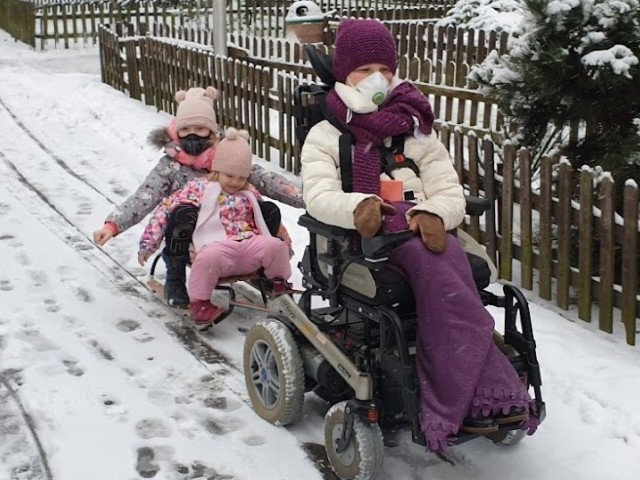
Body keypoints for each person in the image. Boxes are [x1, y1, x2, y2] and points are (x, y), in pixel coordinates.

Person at [300, 18, 537, 452]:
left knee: (452, 266)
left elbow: (450, 191)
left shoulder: (417, 129)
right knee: (443, 272)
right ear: (342, 74)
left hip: (427, 233)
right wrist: (360, 207)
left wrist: (433, 212)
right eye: (364, 70)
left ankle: (472, 382)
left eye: (385, 71)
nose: (377, 79)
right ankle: (479, 393)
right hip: (365, 244)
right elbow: (317, 195)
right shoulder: (326, 134)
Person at [93, 86, 302, 309]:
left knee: (268, 209)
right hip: (188, 233)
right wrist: (113, 225)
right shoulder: (170, 166)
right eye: (186, 129)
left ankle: (265, 271)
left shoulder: (226, 156)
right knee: (183, 213)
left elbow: (264, 178)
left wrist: (311, 199)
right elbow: (145, 196)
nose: (193, 134)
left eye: (200, 128)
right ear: (177, 131)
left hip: (234, 225)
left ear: (212, 132)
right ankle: (175, 277)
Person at [138, 128, 293, 330]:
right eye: (229, 175)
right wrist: (147, 244)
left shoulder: (248, 192)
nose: (236, 182)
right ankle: (200, 303)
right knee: (207, 255)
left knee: (274, 245)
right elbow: (165, 211)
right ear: (216, 169)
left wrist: (285, 246)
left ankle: (277, 282)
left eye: (241, 177)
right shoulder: (198, 187)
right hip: (216, 247)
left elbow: (268, 222)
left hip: (248, 244)